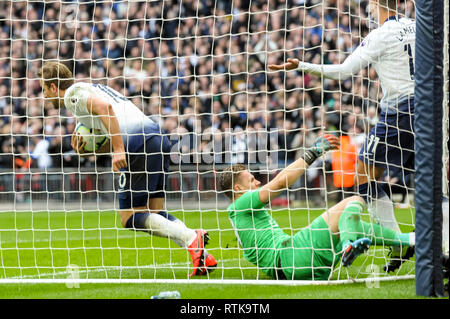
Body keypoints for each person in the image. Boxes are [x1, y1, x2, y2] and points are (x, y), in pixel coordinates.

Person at [268, 0, 438, 272]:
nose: (367, 10)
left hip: (400, 112)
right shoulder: (421, 27)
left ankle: (400, 242)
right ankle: (436, 246)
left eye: (369, 4)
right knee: (434, 180)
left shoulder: (380, 35)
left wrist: (301, 65)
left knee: (362, 174)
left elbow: (342, 71)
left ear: (376, 4)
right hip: (431, 106)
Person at [38, 61, 217, 276]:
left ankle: (191, 238)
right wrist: (93, 150)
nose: (45, 96)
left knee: (129, 217)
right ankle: (202, 257)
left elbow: (106, 109)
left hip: (138, 145)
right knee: (155, 212)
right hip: (157, 138)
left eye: (44, 89)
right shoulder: (92, 87)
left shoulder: (72, 96)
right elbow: (114, 122)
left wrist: (119, 150)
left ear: (54, 87)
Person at [219, 134, 415, 280]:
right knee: (354, 201)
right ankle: (349, 245)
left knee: (352, 224)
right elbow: (279, 183)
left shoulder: (238, 216)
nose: (257, 183)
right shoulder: (239, 204)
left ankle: (410, 240)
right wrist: (312, 153)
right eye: (252, 180)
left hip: (298, 267)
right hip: (291, 256)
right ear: (237, 188)